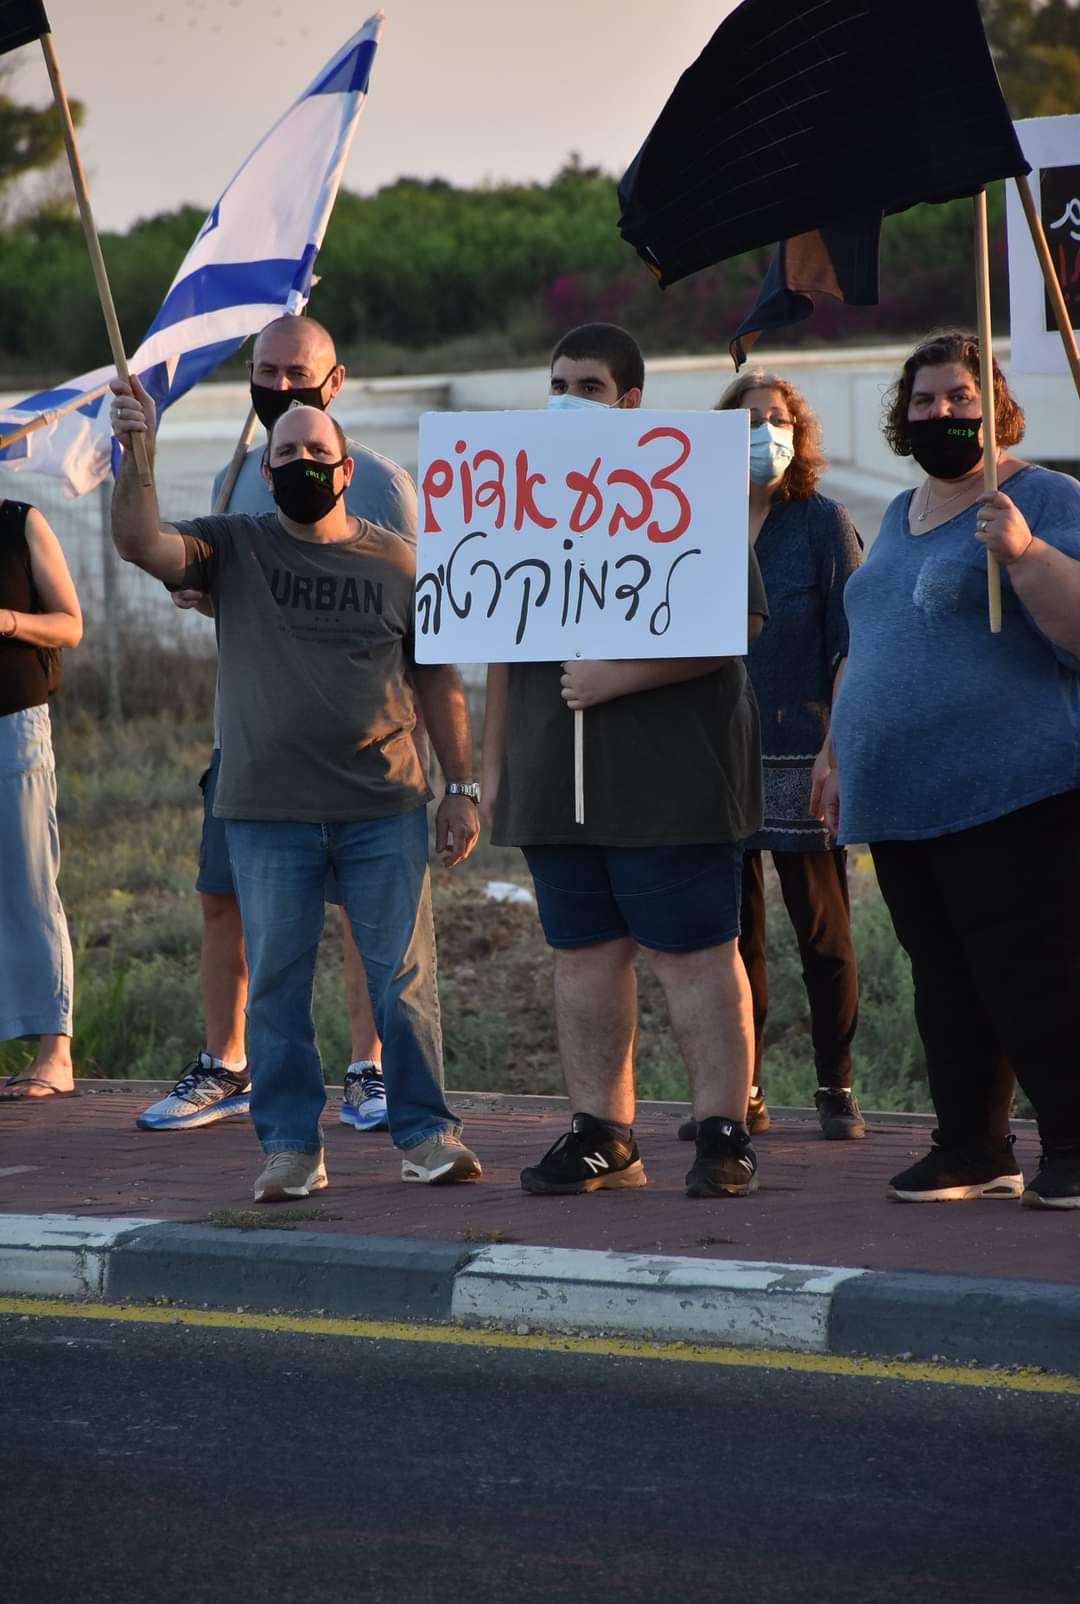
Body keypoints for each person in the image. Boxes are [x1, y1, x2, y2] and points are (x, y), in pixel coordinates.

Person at [111, 383, 483, 1202]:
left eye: (318, 452)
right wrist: (136, 454)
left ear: (347, 471)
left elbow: (437, 676)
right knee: (277, 987)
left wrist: (460, 786)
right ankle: (290, 1149)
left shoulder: (399, 560)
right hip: (267, 813)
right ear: (265, 472)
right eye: (287, 453)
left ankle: (427, 1135)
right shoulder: (232, 546)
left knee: (403, 984)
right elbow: (141, 542)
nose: (303, 462)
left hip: (383, 806)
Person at [482, 322, 769, 1199]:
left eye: (590, 388)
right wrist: (492, 769)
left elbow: (735, 624)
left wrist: (621, 675)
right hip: (554, 781)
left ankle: (723, 1132)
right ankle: (603, 1132)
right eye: (558, 384)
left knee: (695, 955)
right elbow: (492, 632)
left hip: (668, 780)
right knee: (582, 956)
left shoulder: (686, 485)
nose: (568, 401)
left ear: (631, 401)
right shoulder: (518, 493)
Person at [136, 315, 419, 1138]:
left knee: (360, 916)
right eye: (266, 370)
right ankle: (227, 1065)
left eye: (298, 372)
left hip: (362, 758)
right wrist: (203, 594)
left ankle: (367, 1069)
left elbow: (407, 618)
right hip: (249, 746)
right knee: (221, 898)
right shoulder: (235, 475)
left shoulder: (383, 485)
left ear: (335, 381)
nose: (281, 386)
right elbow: (226, 585)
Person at [817, 331, 1080, 1209]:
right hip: (903, 801)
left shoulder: (1043, 497)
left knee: (1033, 972)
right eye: (924, 400)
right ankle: (972, 1147)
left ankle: (1074, 1144)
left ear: (994, 406)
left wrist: (1028, 553)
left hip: (1012, 790)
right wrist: (835, 749)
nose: (942, 413)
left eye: (960, 398)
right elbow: (870, 643)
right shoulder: (901, 513)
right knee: (945, 980)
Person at [680, 371, 863, 1144]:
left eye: (778, 418)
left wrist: (836, 749)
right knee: (731, 936)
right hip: (714, 754)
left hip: (803, 749)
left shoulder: (822, 522)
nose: (764, 432)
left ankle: (836, 1087)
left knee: (822, 930)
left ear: (799, 430)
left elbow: (852, 645)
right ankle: (742, 1090)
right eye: (749, 418)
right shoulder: (694, 520)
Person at [0, 499, 82, 1102]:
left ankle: (55, 1053)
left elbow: (70, 625)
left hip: (12, 721)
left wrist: (6, 620)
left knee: (27, 880)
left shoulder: (19, 522)